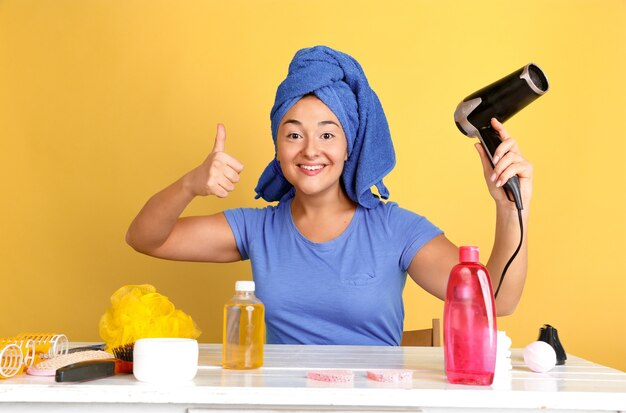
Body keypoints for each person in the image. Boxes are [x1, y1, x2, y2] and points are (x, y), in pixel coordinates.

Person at [126, 46, 532, 346]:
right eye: (293, 134)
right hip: (283, 406)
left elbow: (497, 299)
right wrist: (190, 185)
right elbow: (146, 238)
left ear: (350, 144)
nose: (309, 150)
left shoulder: (395, 229)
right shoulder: (258, 228)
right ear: (278, 145)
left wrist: (508, 208)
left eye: (326, 133)